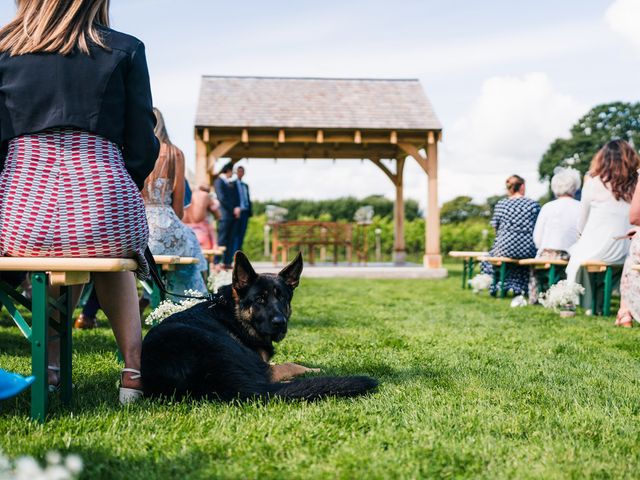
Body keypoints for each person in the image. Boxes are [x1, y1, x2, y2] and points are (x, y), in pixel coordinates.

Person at [0, 0, 158, 404]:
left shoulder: (4, 50)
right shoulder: (126, 49)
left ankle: (50, 367)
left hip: (22, 212)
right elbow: (141, 144)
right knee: (111, 253)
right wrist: (117, 187)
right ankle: (134, 370)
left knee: (50, 256)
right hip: (102, 199)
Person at [565, 140, 638, 313]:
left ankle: (586, 303)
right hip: (628, 250)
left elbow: (581, 223)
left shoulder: (593, 183)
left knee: (578, 251)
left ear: (602, 159)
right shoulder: (637, 184)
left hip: (600, 250)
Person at [143, 109, 208, 298]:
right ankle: (189, 298)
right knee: (190, 242)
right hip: (167, 228)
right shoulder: (175, 154)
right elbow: (179, 210)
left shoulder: (132, 150)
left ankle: (148, 297)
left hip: (138, 230)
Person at [528, 168, 582, 303]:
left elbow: (537, 238)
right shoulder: (580, 207)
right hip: (569, 255)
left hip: (546, 253)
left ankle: (536, 296)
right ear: (575, 187)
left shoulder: (547, 207)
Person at [481, 175, 541, 296]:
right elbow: (538, 227)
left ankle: (497, 285)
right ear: (522, 186)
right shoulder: (533, 205)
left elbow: (495, 228)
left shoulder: (501, 204)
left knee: (487, 258)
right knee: (522, 261)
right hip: (527, 249)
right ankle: (520, 287)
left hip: (505, 248)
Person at [213, 162, 240, 269]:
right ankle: (216, 261)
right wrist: (233, 209)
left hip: (233, 216)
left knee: (231, 239)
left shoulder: (229, 182)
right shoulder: (218, 181)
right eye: (231, 172)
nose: (232, 174)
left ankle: (227, 262)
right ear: (227, 171)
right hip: (224, 215)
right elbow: (222, 198)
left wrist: (237, 208)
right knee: (222, 239)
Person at [184, 184, 221, 250]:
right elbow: (218, 216)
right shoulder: (206, 196)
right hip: (201, 233)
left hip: (185, 232)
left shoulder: (188, 194)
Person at [233, 165, 253, 253]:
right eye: (239, 171)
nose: (240, 173)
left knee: (242, 234)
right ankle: (235, 253)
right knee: (235, 234)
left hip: (245, 212)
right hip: (237, 213)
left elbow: (248, 198)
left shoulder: (245, 185)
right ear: (236, 173)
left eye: (242, 172)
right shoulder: (232, 184)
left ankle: (240, 252)